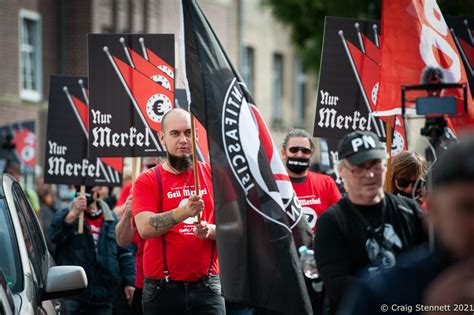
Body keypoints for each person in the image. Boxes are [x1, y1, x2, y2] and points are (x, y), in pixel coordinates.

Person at [339, 136, 474, 315]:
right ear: (435, 212)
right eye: (466, 208)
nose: (411, 190)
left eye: (418, 184)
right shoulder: (381, 292)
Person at [314, 131, 427, 315]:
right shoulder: (331, 222)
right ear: (341, 171)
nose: (370, 174)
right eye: (359, 168)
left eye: (376, 165)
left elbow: (430, 264)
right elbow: (341, 288)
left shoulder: (409, 211)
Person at [133, 108, 224, 315]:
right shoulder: (148, 180)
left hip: (207, 286)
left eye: (188, 132)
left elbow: (236, 230)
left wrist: (209, 230)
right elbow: (145, 228)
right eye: (175, 133)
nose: (183, 139)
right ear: (162, 138)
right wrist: (184, 212)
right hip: (161, 288)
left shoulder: (214, 176)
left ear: (197, 136)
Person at [48, 186, 135, 315]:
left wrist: (129, 282)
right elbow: (52, 239)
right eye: (82, 189)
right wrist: (72, 215)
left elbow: (125, 253)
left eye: (90, 190)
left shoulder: (112, 220)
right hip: (73, 294)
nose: (85, 194)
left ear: (99, 190)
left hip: (103, 295)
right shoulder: (65, 215)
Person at [115, 158, 158, 315]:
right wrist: (127, 213)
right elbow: (123, 239)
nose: (152, 168)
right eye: (149, 165)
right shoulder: (134, 187)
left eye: (155, 165)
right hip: (146, 278)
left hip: (190, 281)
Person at [281, 129, 341, 234]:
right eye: (294, 150)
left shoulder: (326, 183)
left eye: (305, 151)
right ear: (283, 153)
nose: (299, 155)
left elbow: (341, 219)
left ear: (311, 154)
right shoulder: (273, 184)